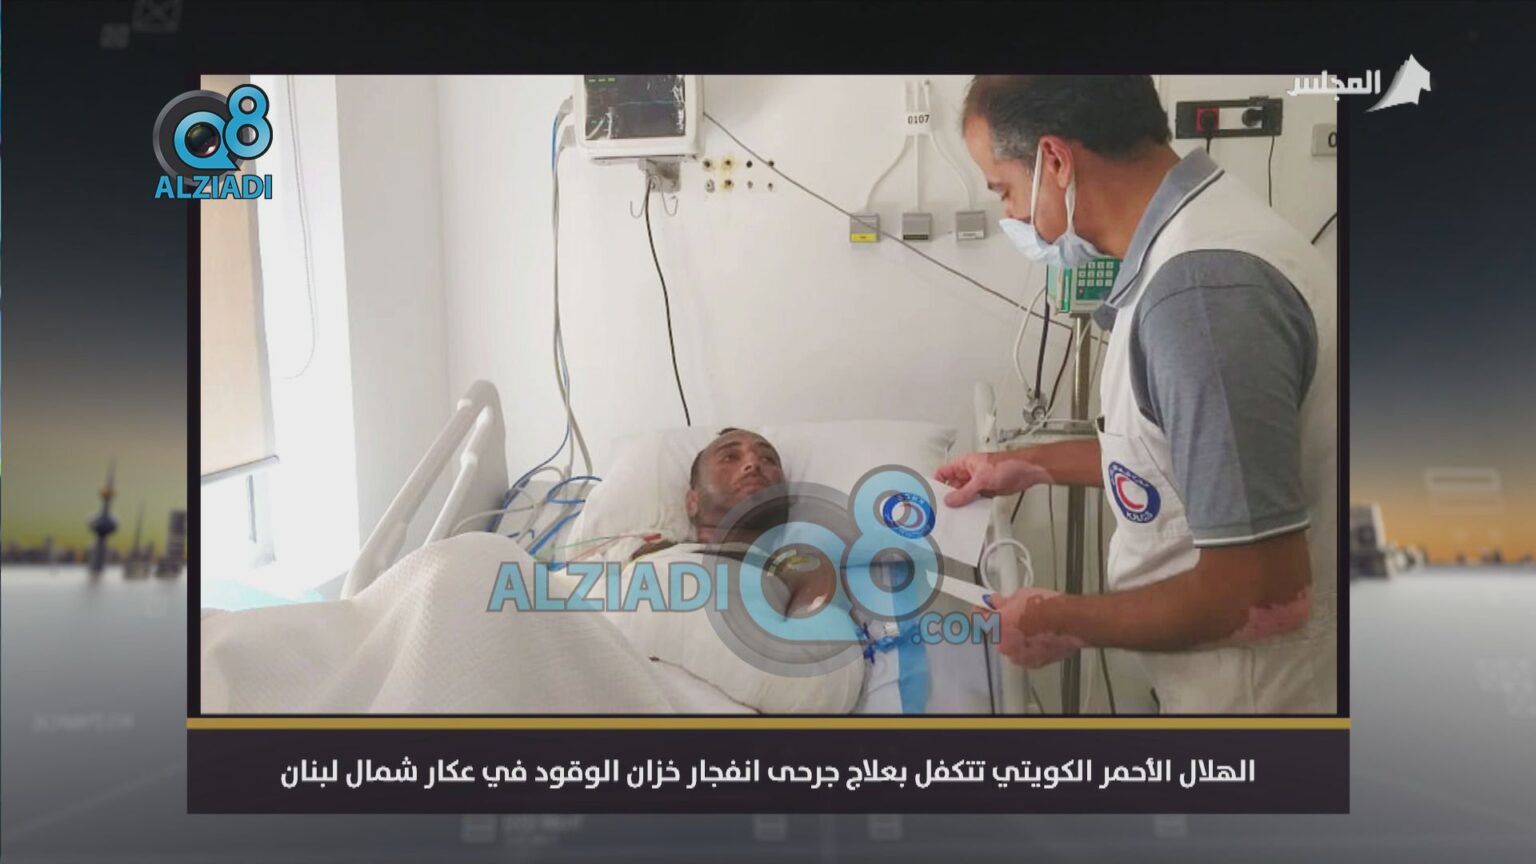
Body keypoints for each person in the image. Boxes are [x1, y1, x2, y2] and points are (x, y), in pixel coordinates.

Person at [937, 75, 1336, 713]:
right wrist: (1024, 465)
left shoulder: (1199, 298)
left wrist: (1061, 619)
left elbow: (1265, 595)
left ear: (1055, 161)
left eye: (1004, 189)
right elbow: (1176, 457)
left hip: (1265, 699)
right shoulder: (1194, 238)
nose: (1010, 216)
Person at [628, 427, 835, 614]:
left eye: (768, 460)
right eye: (730, 457)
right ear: (692, 502)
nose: (753, 464)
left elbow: (816, 639)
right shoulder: (637, 553)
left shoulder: (803, 574)